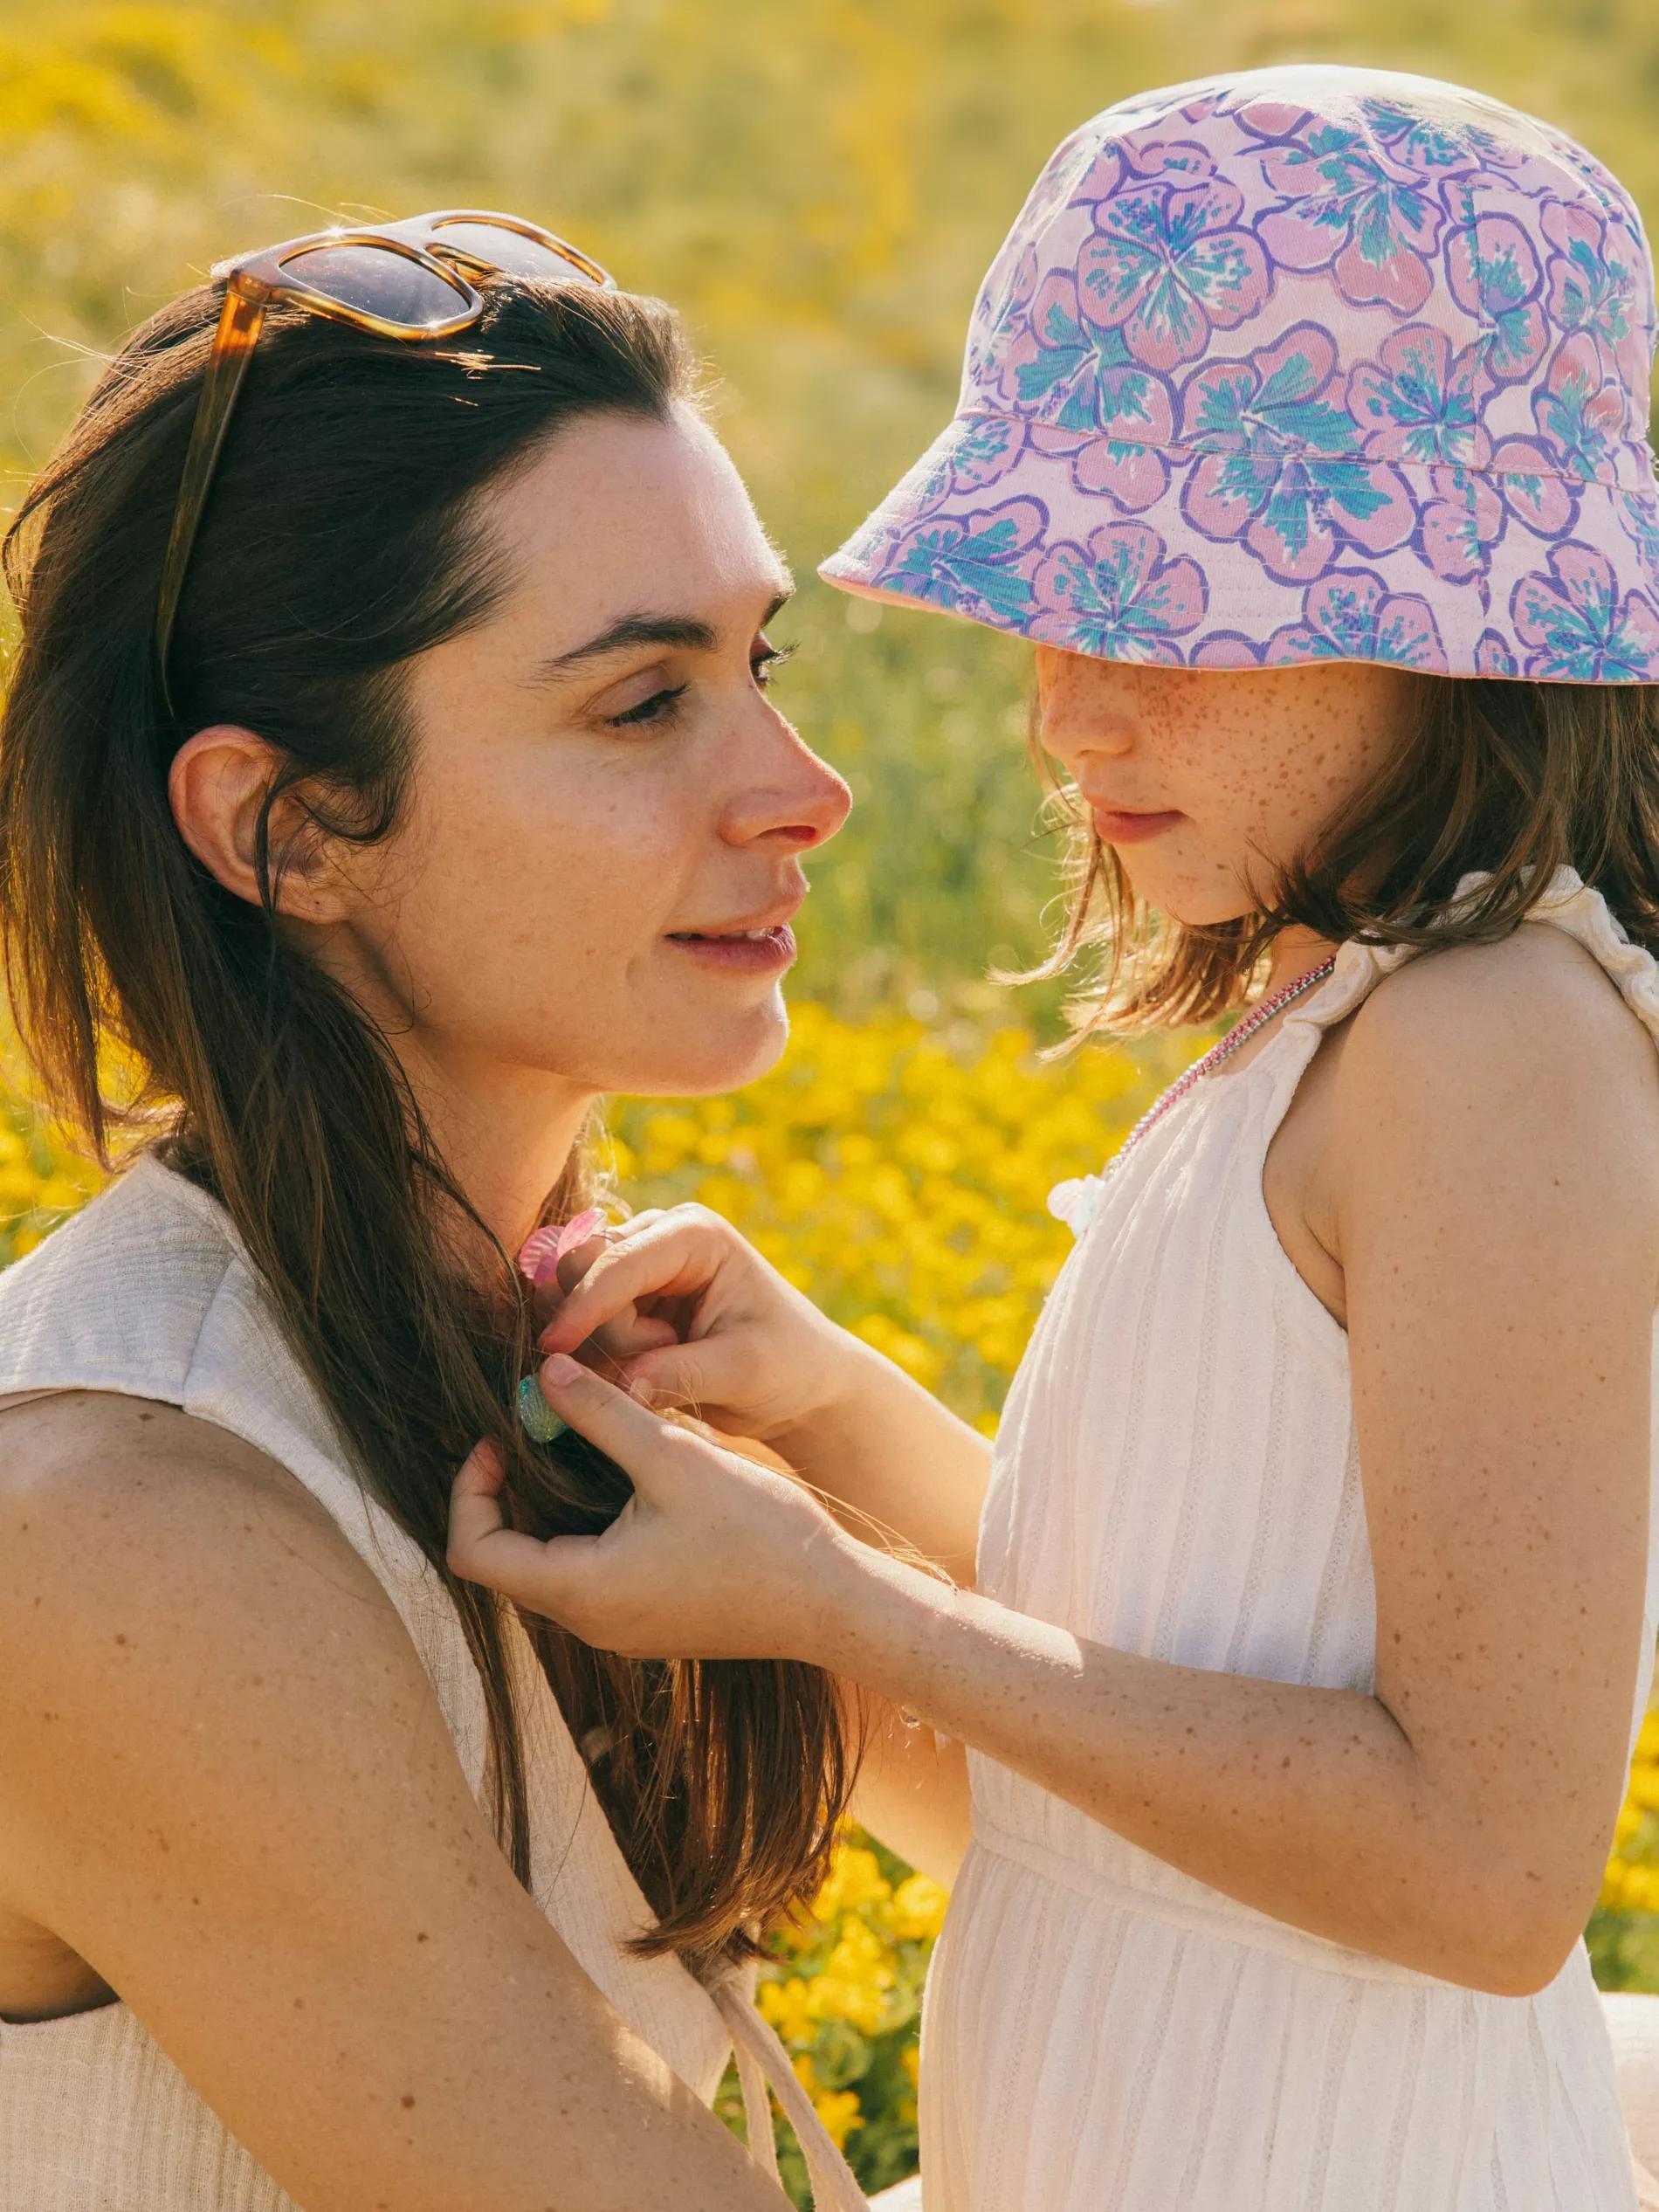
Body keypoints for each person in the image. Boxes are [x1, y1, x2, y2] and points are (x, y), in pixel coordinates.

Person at [449, 64, 1659, 2209]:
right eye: (1060, 601)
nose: (1072, 708)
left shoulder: (1492, 1045)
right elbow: (1178, 1700)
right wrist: (826, 1409)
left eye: (1172, 617)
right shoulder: (1354, 1016)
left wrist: (842, 1601)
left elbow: (1480, 1865)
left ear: (1454, 621)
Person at [0, 214, 879, 2210]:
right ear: (285, 827)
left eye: (761, 662)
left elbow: (1225, 1888)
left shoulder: (572, 1326)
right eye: (640, 703)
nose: (803, 787)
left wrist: (831, 1446)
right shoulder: (118, 1525)